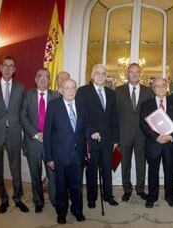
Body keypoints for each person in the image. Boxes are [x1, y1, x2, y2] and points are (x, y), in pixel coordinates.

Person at [0, 56, 29, 214]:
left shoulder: (20, 87)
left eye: (11, 66)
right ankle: (3, 198)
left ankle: (17, 199)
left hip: (14, 134)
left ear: (14, 69)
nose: (8, 69)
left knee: (15, 168)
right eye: (5, 66)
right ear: (0, 67)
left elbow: (22, 111)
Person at [44, 79, 88, 224]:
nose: (70, 91)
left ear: (76, 90)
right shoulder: (53, 106)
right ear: (60, 90)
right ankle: (61, 212)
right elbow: (47, 133)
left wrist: (92, 133)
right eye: (66, 88)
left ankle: (77, 210)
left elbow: (85, 127)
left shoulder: (82, 104)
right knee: (61, 187)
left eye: (73, 88)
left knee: (77, 186)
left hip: (78, 154)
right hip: (60, 154)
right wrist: (49, 157)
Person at [77, 64, 119, 207]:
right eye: (97, 73)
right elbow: (81, 116)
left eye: (103, 73)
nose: (101, 76)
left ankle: (108, 195)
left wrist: (116, 139)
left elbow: (114, 117)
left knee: (107, 168)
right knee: (92, 169)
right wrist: (91, 131)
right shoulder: (82, 92)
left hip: (108, 139)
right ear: (92, 75)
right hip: (91, 137)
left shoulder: (112, 93)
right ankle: (91, 198)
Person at [20, 68, 59, 213]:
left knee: (52, 174)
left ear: (49, 81)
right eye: (40, 77)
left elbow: (59, 119)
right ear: (35, 79)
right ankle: (38, 201)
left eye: (46, 77)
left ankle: (55, 200)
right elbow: (22, 117)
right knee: (35, 173)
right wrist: (36, 134)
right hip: (33, 142)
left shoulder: (56, 96)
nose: (43, 79)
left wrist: (49, 135)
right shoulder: (27, 95)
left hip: (50, 143)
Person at [140, 77, 173, 208]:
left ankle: (170, 197)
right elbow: (143, 125)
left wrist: (170, 136)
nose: (161, 88)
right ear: (153, 88)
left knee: (169, 172)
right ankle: (152, 197)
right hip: (153, 144)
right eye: (157, 86)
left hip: (170, 144)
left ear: (167, 86)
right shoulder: (146, 104)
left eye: (163, 85)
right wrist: (156, 136)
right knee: (153, 172)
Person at [116, 63, 153, 202]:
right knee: (125, 163)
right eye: (131, 72)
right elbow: (116, 114)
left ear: (140, 74)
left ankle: (140, 189)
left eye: (137, 72)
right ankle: (127, 189)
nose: (134, 74)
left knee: (141, 163)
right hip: (124, 134)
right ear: (127, 74)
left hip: (142, 134)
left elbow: (151, 113)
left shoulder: (148, 91)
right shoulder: (119, 91)